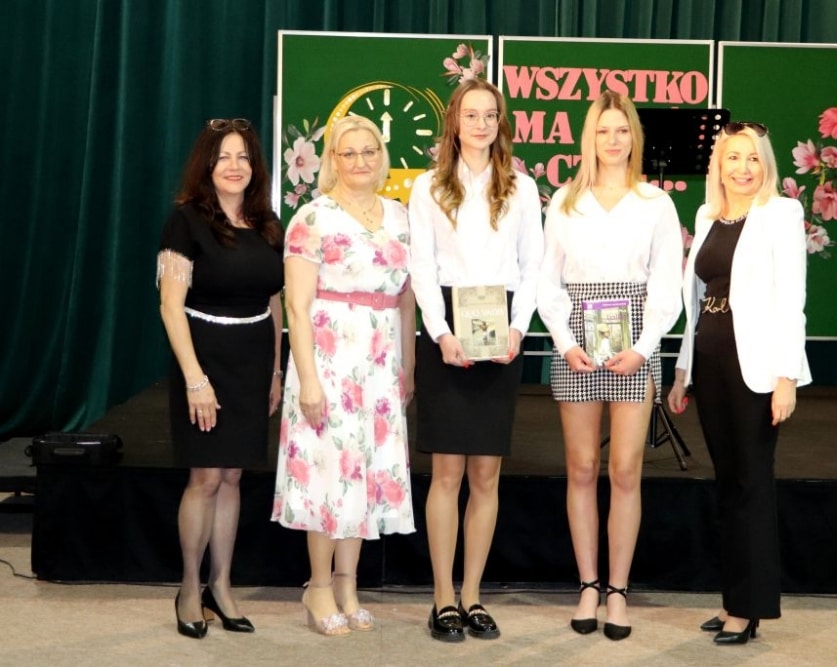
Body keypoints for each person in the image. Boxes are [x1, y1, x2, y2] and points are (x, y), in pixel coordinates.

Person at [536, 90, 684, 641]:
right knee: (581, 468)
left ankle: (618, 591)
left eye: (622, 130)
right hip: (576, 342)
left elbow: (667, 285)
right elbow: (548, 281)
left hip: (635, 341)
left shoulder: (655, 203)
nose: (613, 140)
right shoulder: (565, 200)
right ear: (589, 138)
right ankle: (588, 585)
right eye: (603, 130)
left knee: (624, 470)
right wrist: (564, 340)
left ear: (634, 137)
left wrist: (643, 347)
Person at [408, 78, 543, 642]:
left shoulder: (522, 187)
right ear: (454, 122)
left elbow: (532, 266)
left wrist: (518, 328)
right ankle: (442, 598)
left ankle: (472, 596)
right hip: (447, 329)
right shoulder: (428, 187)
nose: (481, 124)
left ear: (500, 122)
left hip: (502, 327)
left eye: (490, 115)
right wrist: (440, 332)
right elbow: (421, 264)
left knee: (486, 474)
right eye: (471, 115)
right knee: (447, 473)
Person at [666, 121, 811, 645]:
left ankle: (749, 609)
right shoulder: (707, 216)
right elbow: (696, 302)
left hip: (757, 371)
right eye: (733, 157)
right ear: (718, 165)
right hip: (709, 365)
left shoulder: (781, 214)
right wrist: (682, 370)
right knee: (728, 485)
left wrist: (786, 377)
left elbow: (792, 299)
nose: (743, 168)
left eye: (752, 158)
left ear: (765, 164)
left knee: (751, 483)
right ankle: (734, 598)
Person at [272, 115, 416, 636]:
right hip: (329, 361)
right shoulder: (312, 218)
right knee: (329, 474)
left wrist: (408, 366)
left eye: (369, 150)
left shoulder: (400, 216)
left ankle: (348, 585)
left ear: (382, 156)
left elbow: (406, 299)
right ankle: (317, 587)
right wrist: (308, 379)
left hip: (381, 365)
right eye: (348, 152)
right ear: (332, 160)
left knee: (366, 474)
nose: (360, 161)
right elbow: (296, 306)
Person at [157, 118, 284, 639]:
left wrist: (276, 370)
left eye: (243, 157)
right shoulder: (186, 221)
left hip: (253, 362)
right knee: (205, 478)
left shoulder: (268, 223)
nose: (235, 166)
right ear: (206, 166)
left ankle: (221, 585)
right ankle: (189, 587)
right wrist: (195, 379)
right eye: (223, 157)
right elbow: (170, 306)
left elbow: (275, 303)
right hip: (204, 360)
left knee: (232, 478)